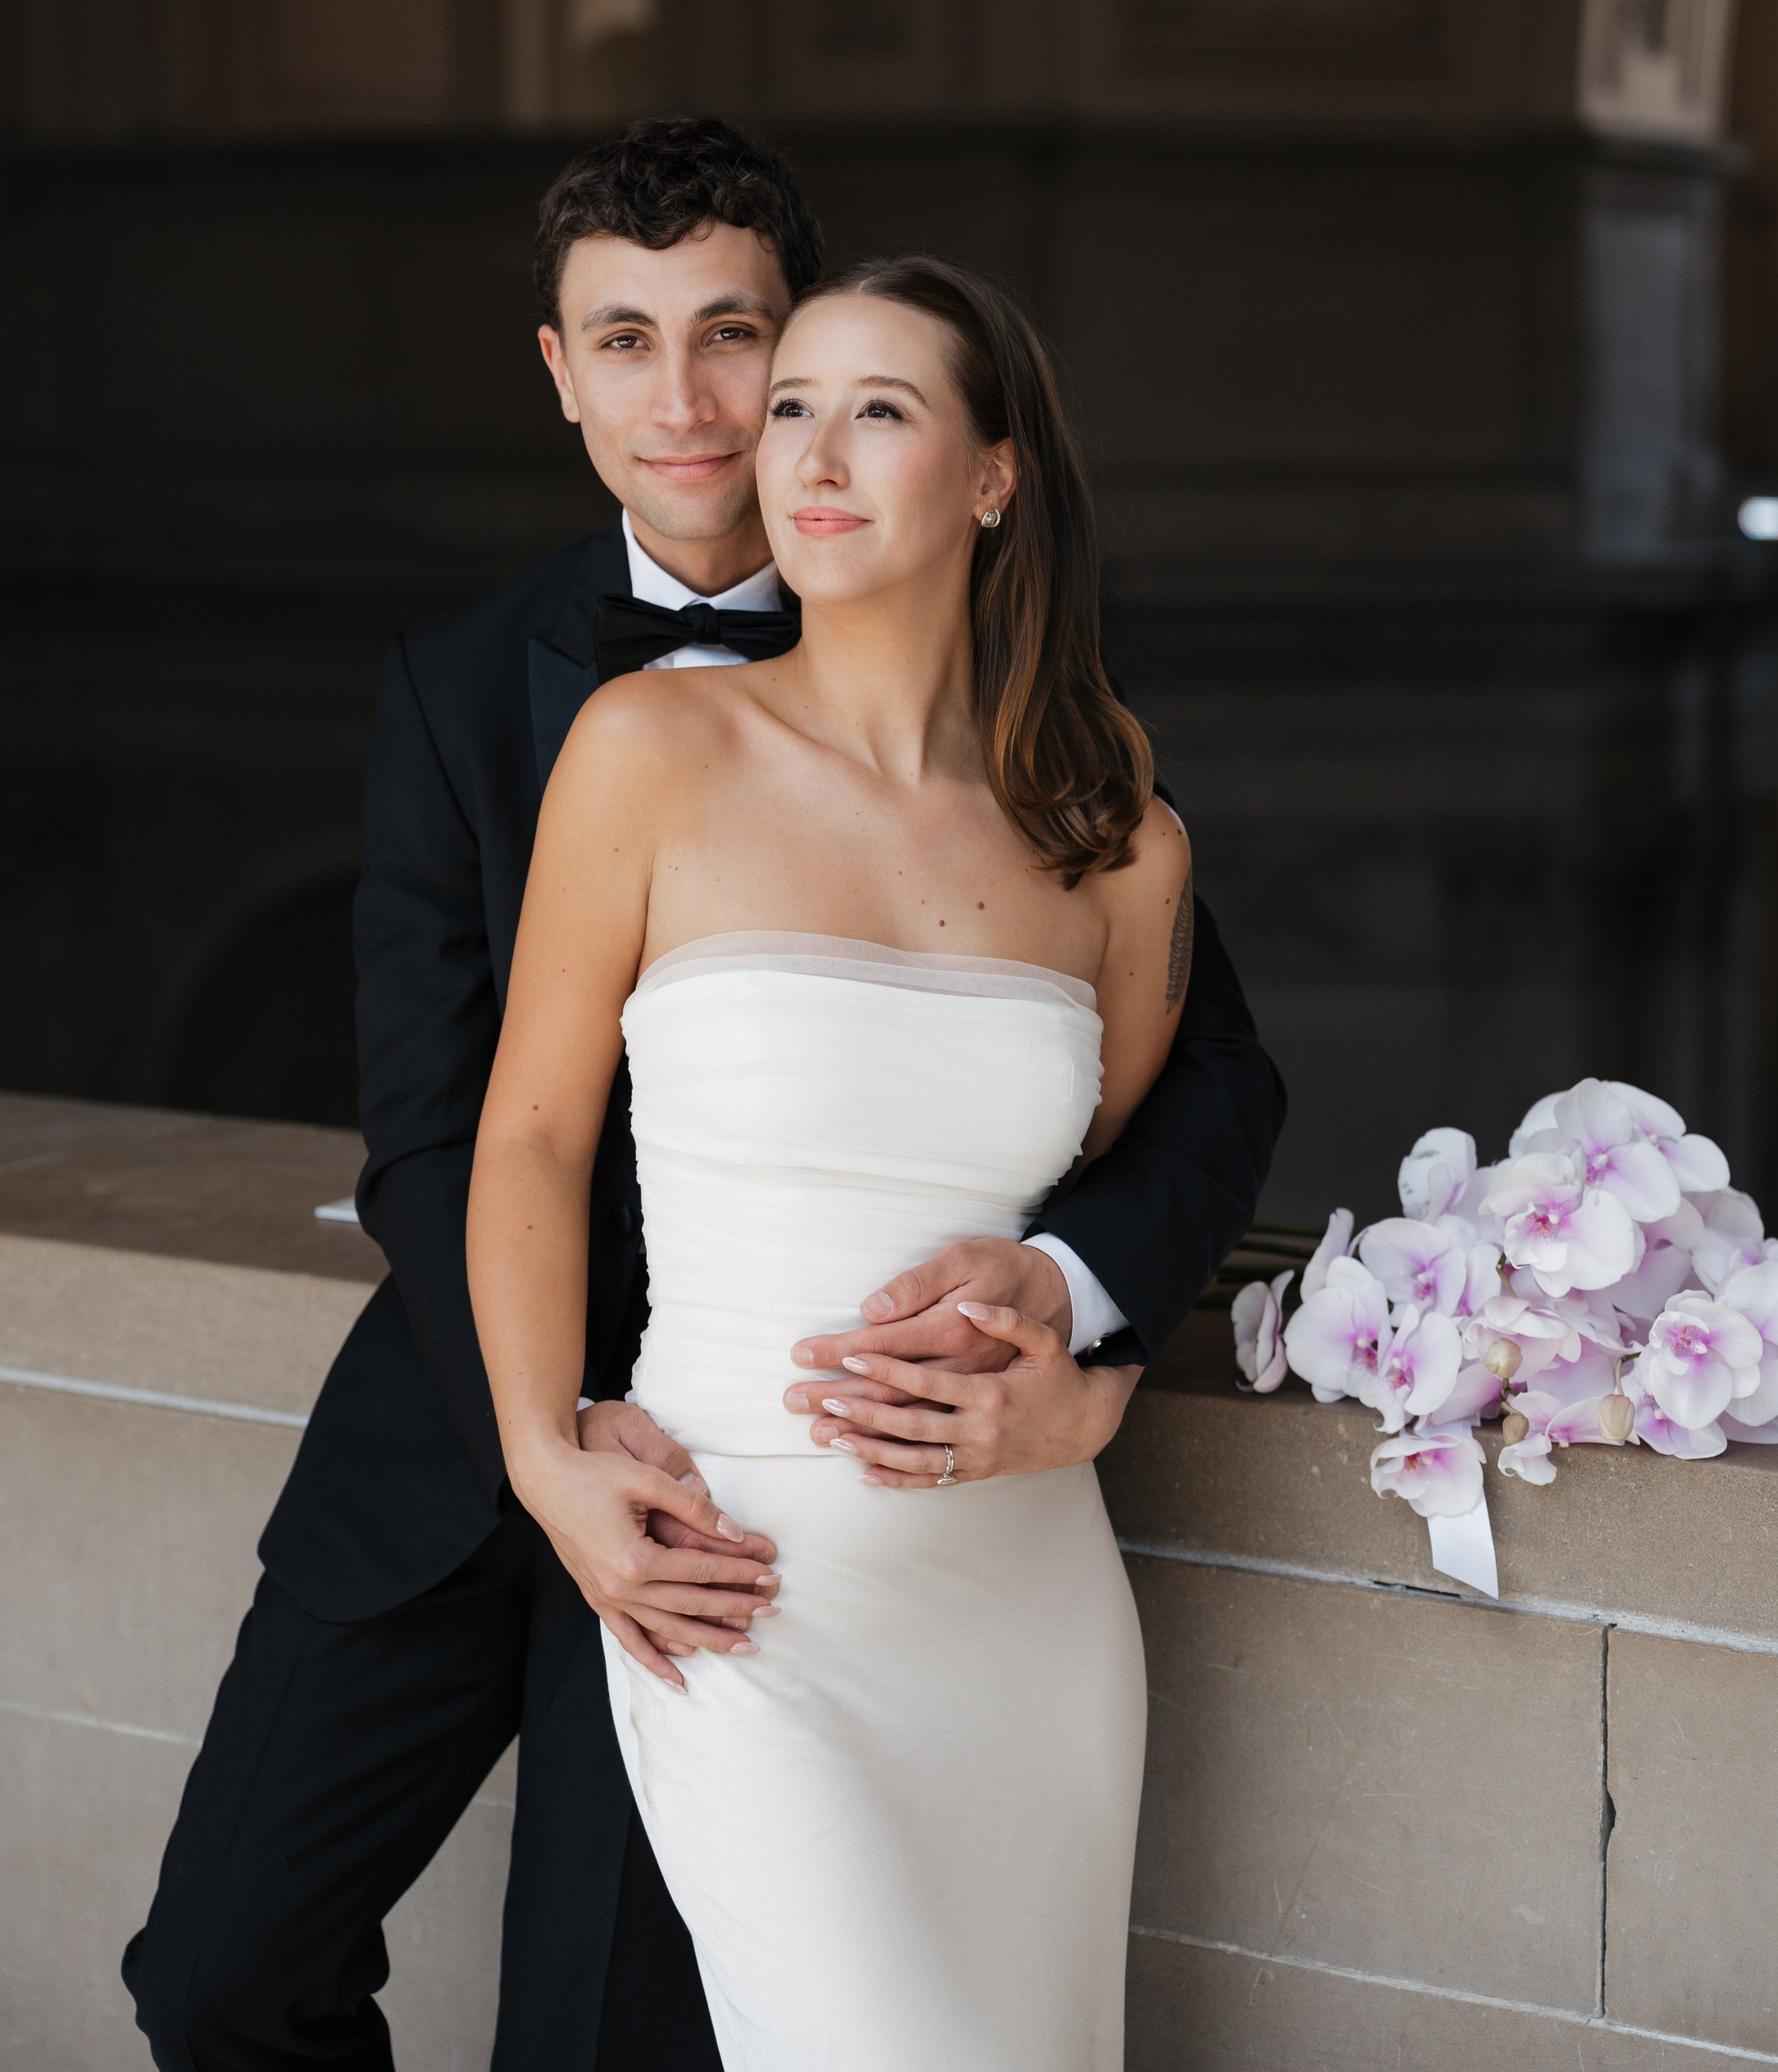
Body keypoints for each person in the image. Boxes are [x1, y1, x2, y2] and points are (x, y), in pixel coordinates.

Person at [125, 121, 1284, 2072]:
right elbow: (455, 1122)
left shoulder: (1048, 738)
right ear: (559, 374)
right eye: (626, 341)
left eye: (739, 338)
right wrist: (556, 1435)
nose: (698, 403)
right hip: (492, 1445)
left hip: (802, 1526)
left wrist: (1070, 1328)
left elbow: (1194, 1084)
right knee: (223, 1974)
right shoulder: (489, 688)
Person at [469, 254, 1195, 2068]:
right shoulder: (649, 749)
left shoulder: (1117, 836)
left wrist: (1096, 1392)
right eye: (792, 402)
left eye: (877, 408)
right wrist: (543, 1456)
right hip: (740, 1578)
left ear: (991, 475)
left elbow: (1109, 1199)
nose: (805, 448)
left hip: (1020, 1594)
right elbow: (532, 1135)